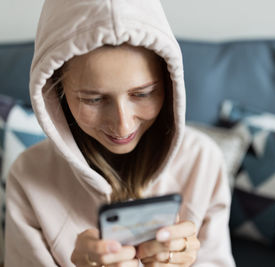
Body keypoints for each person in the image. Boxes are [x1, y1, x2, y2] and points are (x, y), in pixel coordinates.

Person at [4, 0, 235, 266]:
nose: (123, 126)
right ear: (57, 93)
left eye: (142, 94)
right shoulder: (28, 176)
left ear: (170, 84)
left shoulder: (202, 162)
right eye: (93, 99)